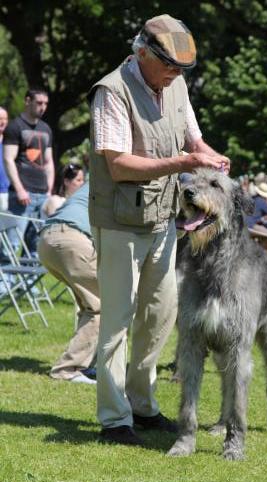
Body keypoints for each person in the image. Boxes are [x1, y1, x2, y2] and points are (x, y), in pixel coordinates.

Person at [88, 14, 231, 446]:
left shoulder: (177, 86)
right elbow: (118, 164)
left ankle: (143, 406)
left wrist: (211, 158)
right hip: (118, 223)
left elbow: (193, 140)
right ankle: (114, 420)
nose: (175, 74)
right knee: (116, 320)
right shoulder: (111, 91)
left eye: (181, 69)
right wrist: (183, 165)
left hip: (164, 220)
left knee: (159, 316)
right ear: (143, 52)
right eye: (169, 65)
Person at [38, 182, 99, 384]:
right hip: (73, 238)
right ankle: (68, 369)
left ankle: (86, 364)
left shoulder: (95, 177)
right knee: (103, 305)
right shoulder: (118, 176)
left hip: (47, 239)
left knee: (88, 304)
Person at [3, 88, 55, 256]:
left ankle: (28, 283)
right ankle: (5, 283)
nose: (43, 107)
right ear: (27, 101)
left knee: (36, 249)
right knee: (11, 246)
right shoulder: (15, 126)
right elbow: (8, 159)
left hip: (42, 196)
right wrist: (19, 189)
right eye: (39, 103)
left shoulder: (46, 128)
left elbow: (48, 162)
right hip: (22, 196)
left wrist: (48, 191)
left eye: (46, 104)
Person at [0, 106, 9, 212]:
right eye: (0, 119)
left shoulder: (11, 141)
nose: (3, 122)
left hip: (6, 192)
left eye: (5, 119)